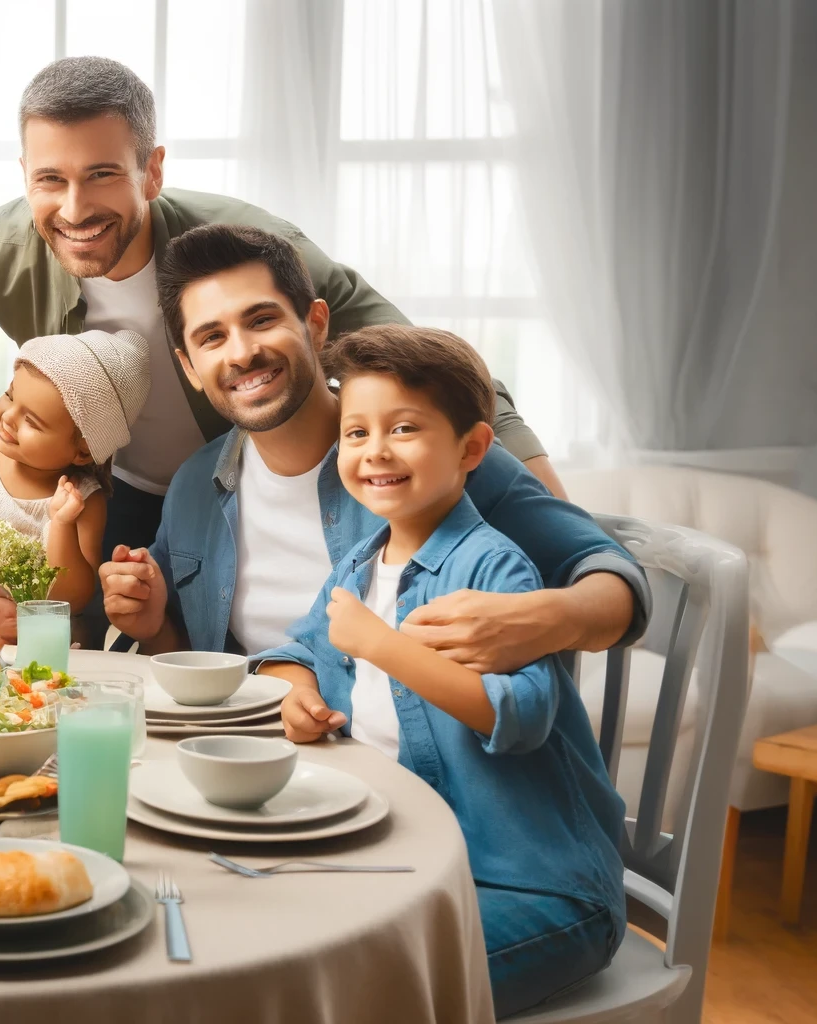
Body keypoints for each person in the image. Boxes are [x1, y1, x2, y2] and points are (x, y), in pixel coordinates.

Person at [0, 56, 568, 595]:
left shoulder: (245, 249)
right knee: (104, 644)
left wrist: (540, 495)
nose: (74, 207)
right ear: (25, 175)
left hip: (246, 485)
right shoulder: (0, 249)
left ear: (152, 171)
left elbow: (423, 367)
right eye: (50, 179)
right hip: (125, 496)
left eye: (103, 173)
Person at [254, 325, 625, 1016]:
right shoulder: (362, 563)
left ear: (473, 449)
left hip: (536, 889)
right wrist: (296, 691)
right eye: (356, 433)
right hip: (410, 866)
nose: (375, 451)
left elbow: (517, 717)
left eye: (403, 428)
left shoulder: (493, 568)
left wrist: (386, 646)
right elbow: (304, 648)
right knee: (264, 943)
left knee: (339, 989)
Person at [101, 224, 649, 675]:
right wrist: (154, 625)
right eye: (212, 337)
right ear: (191, 368)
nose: (242, 352)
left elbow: (614, 580)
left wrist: (542, 618)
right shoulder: (196, 485)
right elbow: (195, 672)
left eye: (262, 319)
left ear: (316, 325)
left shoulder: (424, 457)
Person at [0, 329, 150, 622]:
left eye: (32, 422)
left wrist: (61, 523)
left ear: (83, 450)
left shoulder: (83, 501)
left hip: (23, 646)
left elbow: (73, 600)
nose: (8, 416)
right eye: (10, 396)